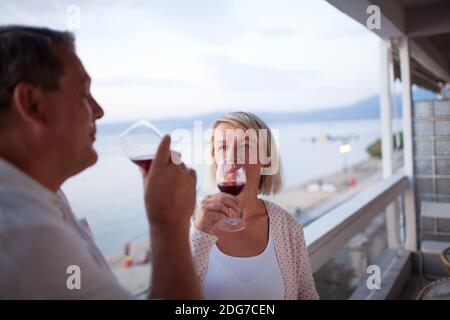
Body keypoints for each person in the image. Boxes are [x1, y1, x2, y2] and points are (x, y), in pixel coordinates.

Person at [0, 26, 200, 299]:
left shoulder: (42, 195)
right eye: (83, 94)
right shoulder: (24, 233)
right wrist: (168, 224)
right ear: (33, 104)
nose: (99, 111)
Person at [190, 112, 319, 300]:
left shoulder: (288, 228)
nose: (232, 159)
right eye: (222, 147)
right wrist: (199, 231)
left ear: (266, 158)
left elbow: (307, 296)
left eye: (245, 146)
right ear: (214, 158)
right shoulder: (190, 218)